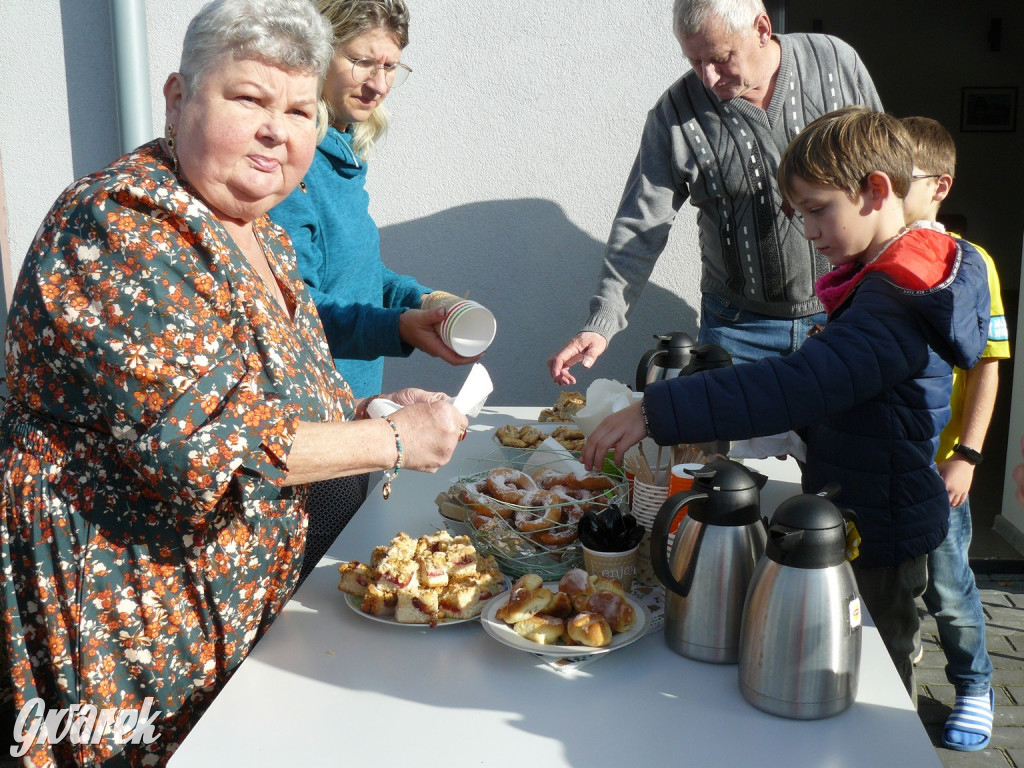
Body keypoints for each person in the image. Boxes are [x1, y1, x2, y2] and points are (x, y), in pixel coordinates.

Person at [0, 1, 467, 764]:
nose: (278, 130)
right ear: (178, 97)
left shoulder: (258, 232)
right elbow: (202, 444)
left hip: (237, 614)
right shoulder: (121, 223)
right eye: (249, 99)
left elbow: (278, 399)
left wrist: (373, 405)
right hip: (129, 626)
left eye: (298, 109)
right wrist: (389, 440)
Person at [582, 106, 991, 702]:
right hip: (866, 504)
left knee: (871, 677)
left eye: (818, 210)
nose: (809, 231)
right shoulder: (895, 278)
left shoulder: (899, 298)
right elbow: (836, 395)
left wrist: (655, 410)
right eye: (800, 215)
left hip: (880, 529)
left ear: (876, 191)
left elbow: (802, 382)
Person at [548, 0, 881, 386]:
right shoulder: (676, 112)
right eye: (694, 62)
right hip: (738, 332)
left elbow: (886, 173)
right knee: (726, 448)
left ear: (761, 29)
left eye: (720, 58)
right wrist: (601, 323)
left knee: (836, 443)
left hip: (846, 312)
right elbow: (641, 225)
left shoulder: (834, 62)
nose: (708, 77)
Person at [270, 0, 479, 580]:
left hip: (356, 415)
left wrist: (423, 299)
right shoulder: (293, 166)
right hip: (314, 434)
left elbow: (359, 274)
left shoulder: (342, 150)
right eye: (363, 61)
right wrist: (397, 328)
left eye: (392, 67)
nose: (379, 82)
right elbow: (298, 307)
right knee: (313, 602)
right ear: (317, 55)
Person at [900, 115, 1008, 751]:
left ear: (939, 186)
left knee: (950, 586)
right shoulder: (872, 258)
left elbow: (988, 368)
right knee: (887, 581)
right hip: (885, 462)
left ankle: (974, 684)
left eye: (895, 179)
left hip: (941, 467)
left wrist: (966, 455)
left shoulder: (972, 266)